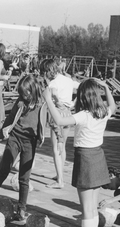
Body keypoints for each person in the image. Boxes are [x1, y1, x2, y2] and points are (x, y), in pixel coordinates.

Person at [43, 77, 116, 227]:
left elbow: (59, 120)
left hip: (85, 158)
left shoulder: (84, 115)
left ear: (83, 96)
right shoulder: (103, 111)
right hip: (99, 158)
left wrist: (48, 99)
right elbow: (113, 106)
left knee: (87, 209)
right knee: (91, 208)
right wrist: (107, 88)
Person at [0, 75, 49, 220]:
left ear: (33, 90)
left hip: (30, 142)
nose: (23, 96)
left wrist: (42, 138)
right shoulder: (20, 102)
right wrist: (1, 129)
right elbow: (11, 118)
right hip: (15, 138)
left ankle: (22, 209)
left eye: (25, 93)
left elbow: (44, 122)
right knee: (3, 170)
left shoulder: (42, 104)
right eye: (21, 94)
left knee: (24, 177)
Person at [40, 59, 78, 189]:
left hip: (57, 113)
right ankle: (60, 174)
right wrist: (73, 103)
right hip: (68, 113)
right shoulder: (67, 79)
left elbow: (52, 96)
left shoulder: (53, 84)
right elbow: (81, 86)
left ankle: (60, 181)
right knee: (63, 146)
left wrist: (56, 100)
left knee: (56, 148)